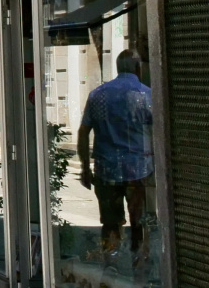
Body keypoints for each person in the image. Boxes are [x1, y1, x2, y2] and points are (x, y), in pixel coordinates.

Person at [78, 49, 154, 260]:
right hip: (138, 170)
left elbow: (83, 132)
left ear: (118, 68)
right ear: (138, 68)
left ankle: (110, 263)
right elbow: (159, 131)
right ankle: (138, 263)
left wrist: (85, 167)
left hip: (106, 170)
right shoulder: (146, 95)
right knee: (138, 220)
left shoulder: (98, 95)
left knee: (110, 222)